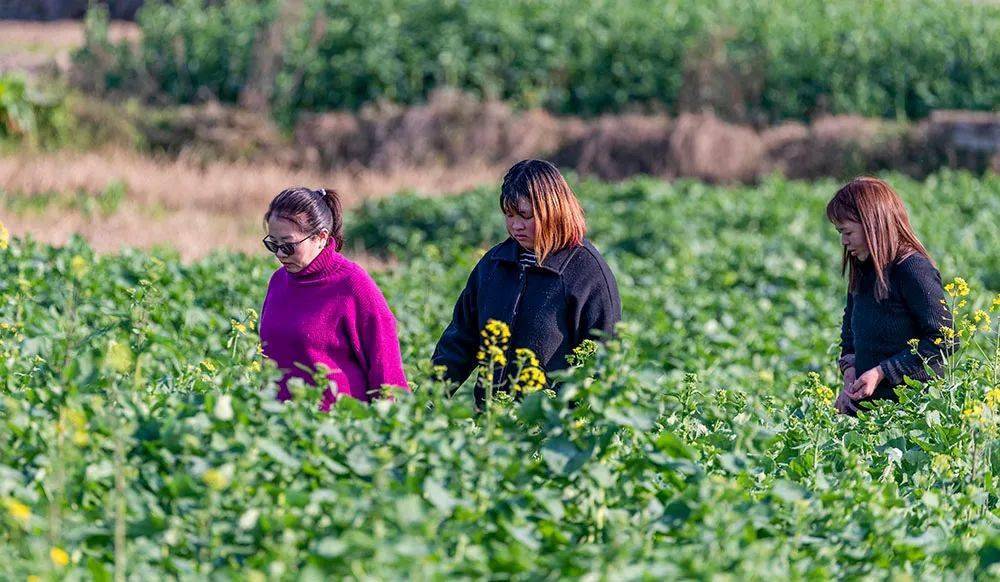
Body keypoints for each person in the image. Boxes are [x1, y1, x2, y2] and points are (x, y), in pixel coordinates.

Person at [432, 159, 621, 406]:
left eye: (525, 215)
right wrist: (428, 398)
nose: (515, 225)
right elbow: (460, 341)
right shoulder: (494, 264)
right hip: (492, 423)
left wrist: (565, 420)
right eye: (509, 215)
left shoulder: (587, 273)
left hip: (551, 430)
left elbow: (602, 363)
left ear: (553, 210)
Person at [259, 187, 408, 410]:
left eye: (288, 245)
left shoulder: (353, 284)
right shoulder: (279, 281)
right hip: (282, 423)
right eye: (273, 244)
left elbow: (386, 368)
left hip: (339, 426)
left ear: (320, 237)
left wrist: (389, 424)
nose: (280, 254)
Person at [827, 177, 952, 415]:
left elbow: (945, 338)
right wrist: (850, 366)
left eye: (847, 232)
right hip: (870, 407)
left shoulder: (913, 270)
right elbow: (851, 322)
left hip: (913, 412)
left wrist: (882, 371)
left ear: (872, 224)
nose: (843, 241)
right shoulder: (864, 266)